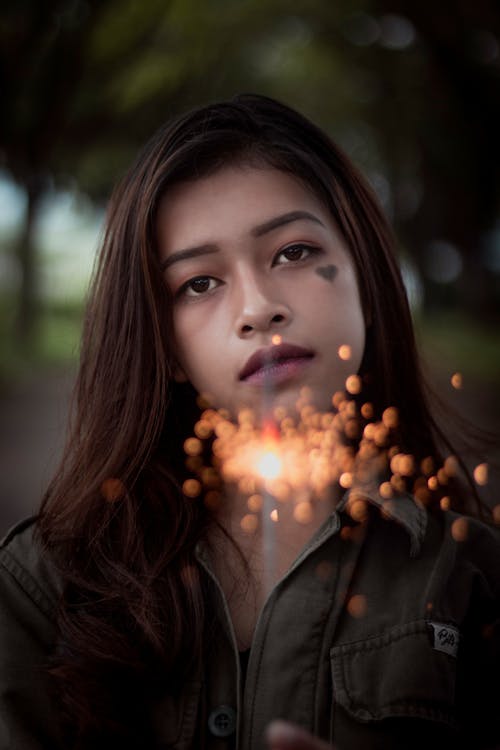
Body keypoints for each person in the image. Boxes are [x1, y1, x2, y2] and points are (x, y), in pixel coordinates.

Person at [0, 93, 498, 750]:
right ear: (167, 350)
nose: (258, 309)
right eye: (199, 284)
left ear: (367, 281)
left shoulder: (471, 574)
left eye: (292, 252)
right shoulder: (43, 586)